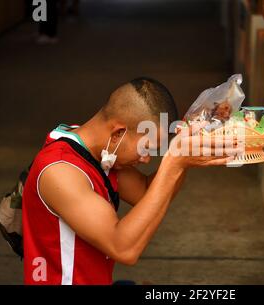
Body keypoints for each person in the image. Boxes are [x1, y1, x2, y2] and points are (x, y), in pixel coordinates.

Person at [22, 77, 239, 285]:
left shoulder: (100, 150)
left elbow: (148, 194)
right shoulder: (60, 171)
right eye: (145, 148)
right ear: (118, 132)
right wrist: (173, 162)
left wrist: (187, 150)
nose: (146, 159)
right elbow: (124, 249)